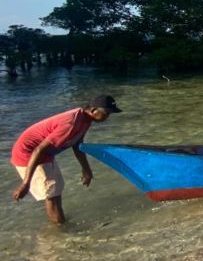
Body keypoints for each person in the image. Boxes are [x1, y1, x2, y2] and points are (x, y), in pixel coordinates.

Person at [10, 95, 122, 223]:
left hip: (45, 153)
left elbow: (77, 144)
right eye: (106, 113)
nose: (107, 117)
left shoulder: (85, 120)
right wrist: (25, 184)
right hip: (28, 154)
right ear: (93, 110)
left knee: (56, 189)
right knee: (51, 192)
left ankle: (61, 225)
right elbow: (38, 150)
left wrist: (86, 170)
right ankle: (60, 229)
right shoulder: (71, 123)